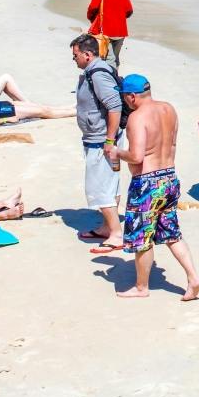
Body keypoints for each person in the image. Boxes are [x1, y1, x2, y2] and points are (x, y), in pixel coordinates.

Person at [115, 74, 199, 300]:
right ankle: (193, 277)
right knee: (171, 232)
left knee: (142, 237)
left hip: (147, 183)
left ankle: (142, 287)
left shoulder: (136, 117)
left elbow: (136, 156)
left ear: (132, 97)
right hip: (169, 177)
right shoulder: (169, 109)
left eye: (125, 98)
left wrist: (116, 152)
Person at [70, 34, 126, 250]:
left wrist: (109, 140)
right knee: (110, 183)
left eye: (75, 55)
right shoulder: (93, 72)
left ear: (87, 54)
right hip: (101, 138)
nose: (74, 59)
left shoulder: (98, 74)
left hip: (102, 140)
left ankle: (116, 234)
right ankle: (107, 227)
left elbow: (114, 107)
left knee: (100, 187)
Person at [86, 0, 133, 67]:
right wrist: (119, 17)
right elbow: (129, 11)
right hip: (121, 31)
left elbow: (92, 9)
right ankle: (114, 79)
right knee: (115, 58)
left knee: (109, 60)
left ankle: (110, 81)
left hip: (105, 31)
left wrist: (92, 19)